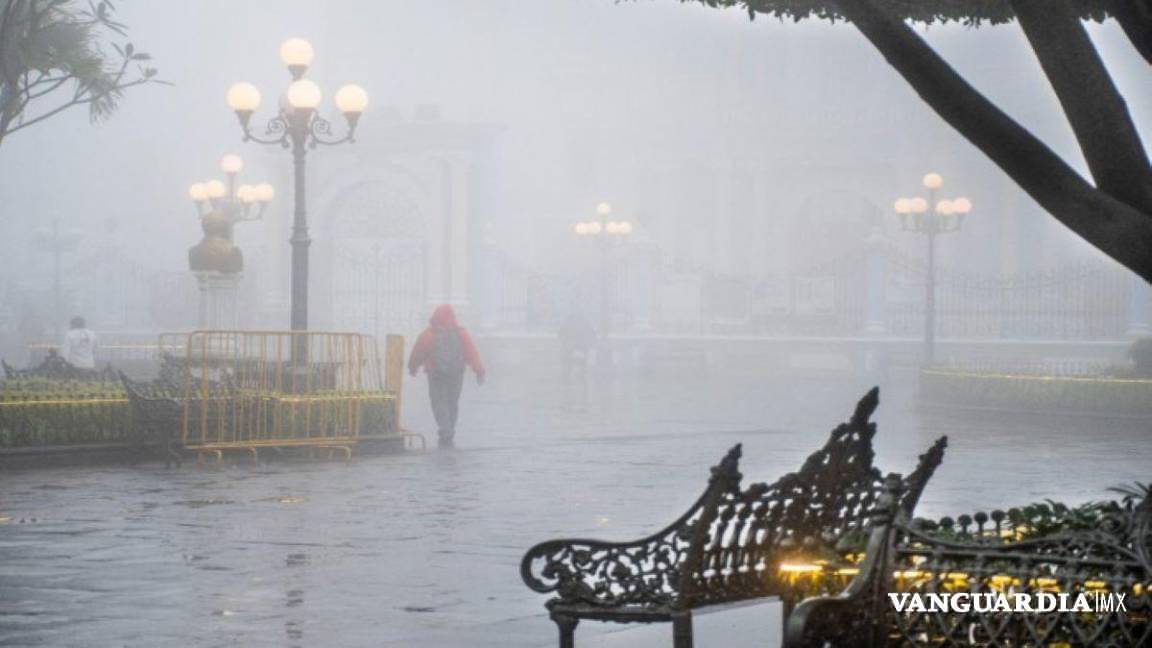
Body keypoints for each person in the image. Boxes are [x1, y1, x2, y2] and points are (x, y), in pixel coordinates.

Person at [408, 305, 485, 448]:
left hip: (435, 374)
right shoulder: (461, 334)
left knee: (439, 402)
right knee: (452, 402)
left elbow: (418, 352)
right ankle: (450, 429)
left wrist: (413, 367)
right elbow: (472, 353)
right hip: (456, 373)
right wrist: (479, 371)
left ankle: (445, 429)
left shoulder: (429, 334)